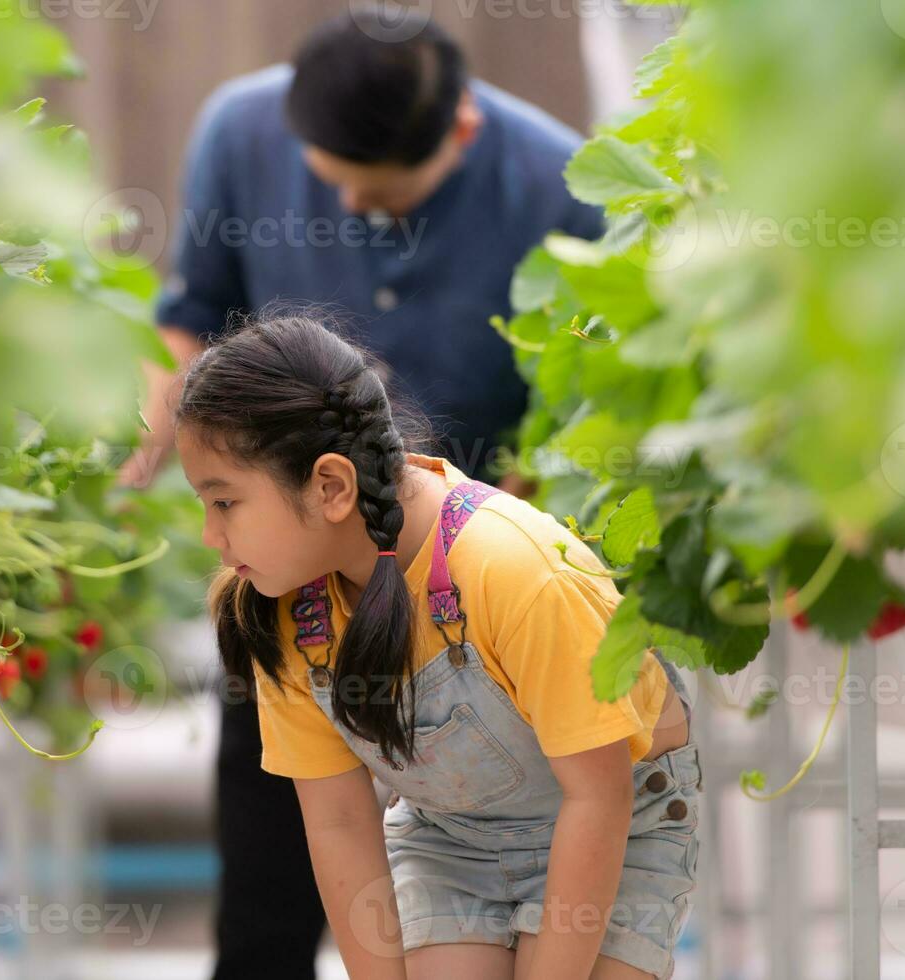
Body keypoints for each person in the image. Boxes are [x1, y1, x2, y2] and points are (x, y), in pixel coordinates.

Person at [117, 7, 609, 977]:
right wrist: (125, 463)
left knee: (480, 838)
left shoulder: (560, 184)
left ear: (460, 130)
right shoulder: (241, 128)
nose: (348, 201)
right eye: (330, 178)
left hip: (468, 581)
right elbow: (185, 324)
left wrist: (475, 554)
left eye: (376, 191)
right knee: (275, 849)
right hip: (293, 550)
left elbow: (573, 410)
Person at [174, 314, 700, 980]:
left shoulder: (513, 568)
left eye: (224, 503)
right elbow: (338, 822)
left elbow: (598, 798)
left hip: (616, 820)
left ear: (331, 487)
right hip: (454, 836)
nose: (209, 535)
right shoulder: (283, 612)